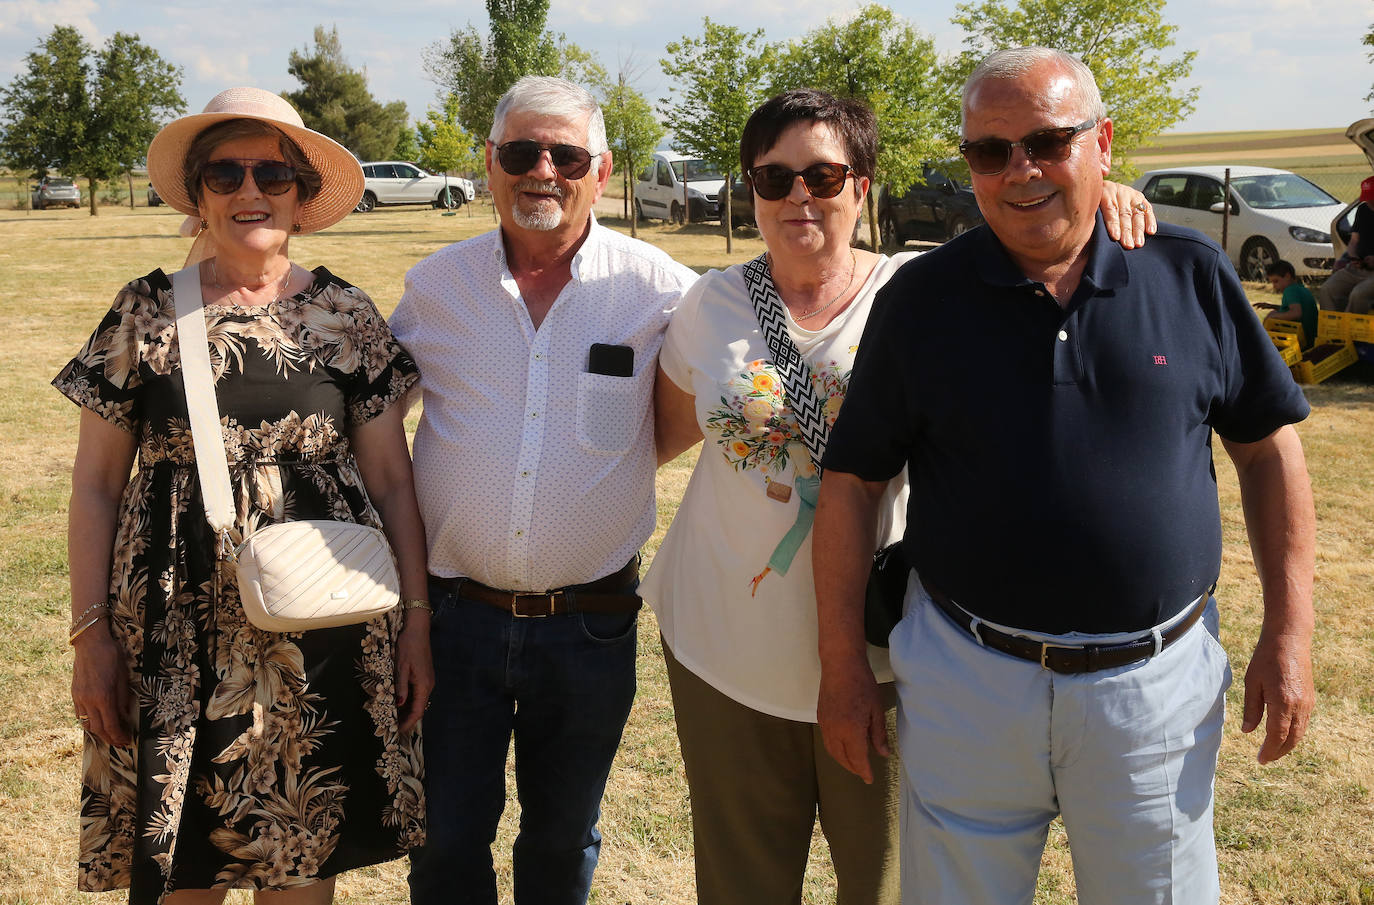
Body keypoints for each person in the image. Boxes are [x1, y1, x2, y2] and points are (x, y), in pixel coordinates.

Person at [813, 47, 1315, 905]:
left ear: (1104, 142)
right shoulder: (922, 300)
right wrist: (841, 666)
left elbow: (1268, 450)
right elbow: (854, 485)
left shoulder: (1189, 275)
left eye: (1048, 141)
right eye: (989, 151)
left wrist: (1290, 631)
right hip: (966, 678)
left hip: (1153, 692)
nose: (1021, 171)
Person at [646, 88, 1157, 905]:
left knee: (887, 883)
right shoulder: (708, 306)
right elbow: (667, 432)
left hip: (889, 655)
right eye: (772, 179)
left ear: (864, 184)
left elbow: (1039, 229)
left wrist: (1109, 195)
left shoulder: (930, 292)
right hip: (723, 652)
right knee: (741, 885)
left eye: (822, 173)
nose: (797, 197)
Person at [55, 87, 432, 905]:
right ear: (197, 197)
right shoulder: (143, 312)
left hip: (321, 629)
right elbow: (92, 485)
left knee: (300, 863)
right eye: (225, 173)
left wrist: (418, 622)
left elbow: (394, 480)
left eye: (273, 173)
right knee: (181, 874)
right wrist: (89, 634)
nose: (249, 190)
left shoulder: (344, 312)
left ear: (301, 194)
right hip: (171, 631)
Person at [391, 76, 697, 905]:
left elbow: (709, 388)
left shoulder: (659, 286)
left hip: (590, 628)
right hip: (453, 623)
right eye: (522, 152)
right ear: (489, 164)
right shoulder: (435, 288)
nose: (544, 171)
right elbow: (364, 421)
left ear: (600, 169)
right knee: (446, 836)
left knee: (564, 837)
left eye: (567, 154)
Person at [1319, 175, 1374, 313]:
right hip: (1357, 268)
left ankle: (1351, 331)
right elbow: (1353, 241)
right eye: (1367, 198)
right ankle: (1331, 328)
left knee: (1358, 294)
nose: (1369, 202)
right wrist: (1353, 256)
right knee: (1327, 289)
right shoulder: (1362, 210)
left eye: (1372, 198)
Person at [1256, 259, 1319, 347]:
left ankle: (1262, 344)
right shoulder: (1301, 289)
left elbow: (1296, 313)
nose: (1274, 286)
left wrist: (1273, 316)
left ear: (1288, 276)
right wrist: (1271, 306)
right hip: (1312, 337)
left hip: (1302, 339)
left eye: (1276, 281)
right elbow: (1291, 309)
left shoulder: (1290, 290)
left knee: (1272, 315)